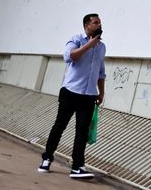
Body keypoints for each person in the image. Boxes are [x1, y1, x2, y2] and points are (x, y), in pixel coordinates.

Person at [38, 13, 106, 179]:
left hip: (89, 96)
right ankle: (47, 158)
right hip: (70, 92)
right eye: (96, 23)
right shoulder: (75, 40)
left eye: (100, 23)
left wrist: (101, 92)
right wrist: (89, 44)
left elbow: (101, 72)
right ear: (86, 26)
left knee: (82, 132)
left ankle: (77, 167)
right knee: (59, 126)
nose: (99, 25)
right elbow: (70, 56)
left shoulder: (102, 47)